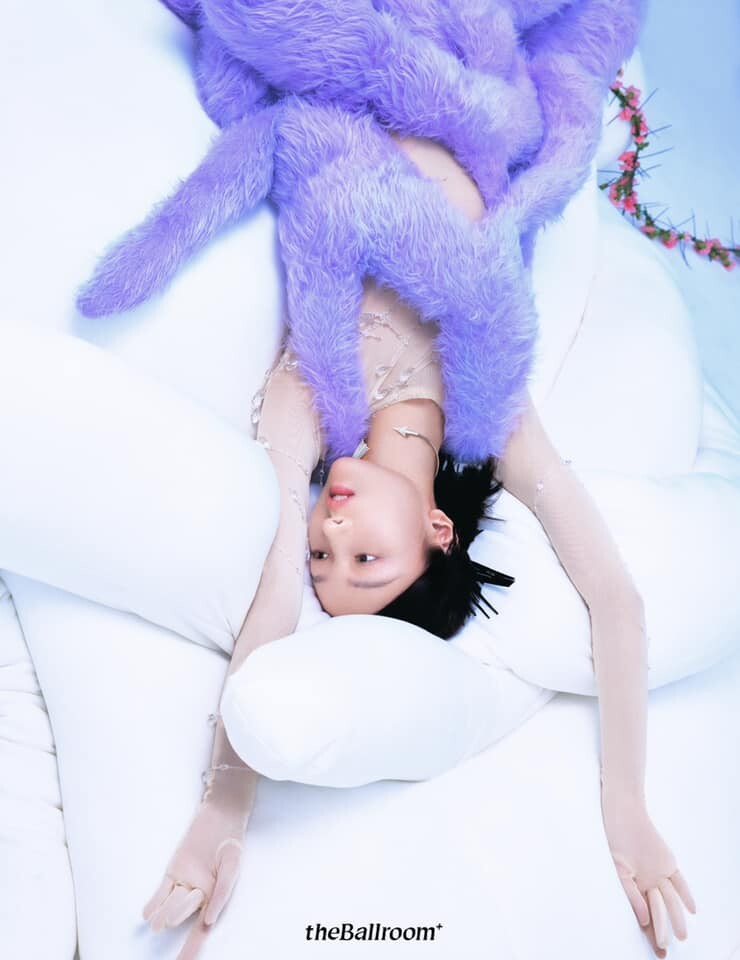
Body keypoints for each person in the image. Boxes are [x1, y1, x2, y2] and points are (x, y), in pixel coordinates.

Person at [141, 132, 695, 958]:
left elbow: (272, 594)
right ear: (440, 532)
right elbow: (616, 598)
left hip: (367, 111)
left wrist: (223, 808)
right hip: (480, 123)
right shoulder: (493, 411)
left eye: (324, 559)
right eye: (365, 560)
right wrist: (629, 810)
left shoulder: (306, 404)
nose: (330, 533)